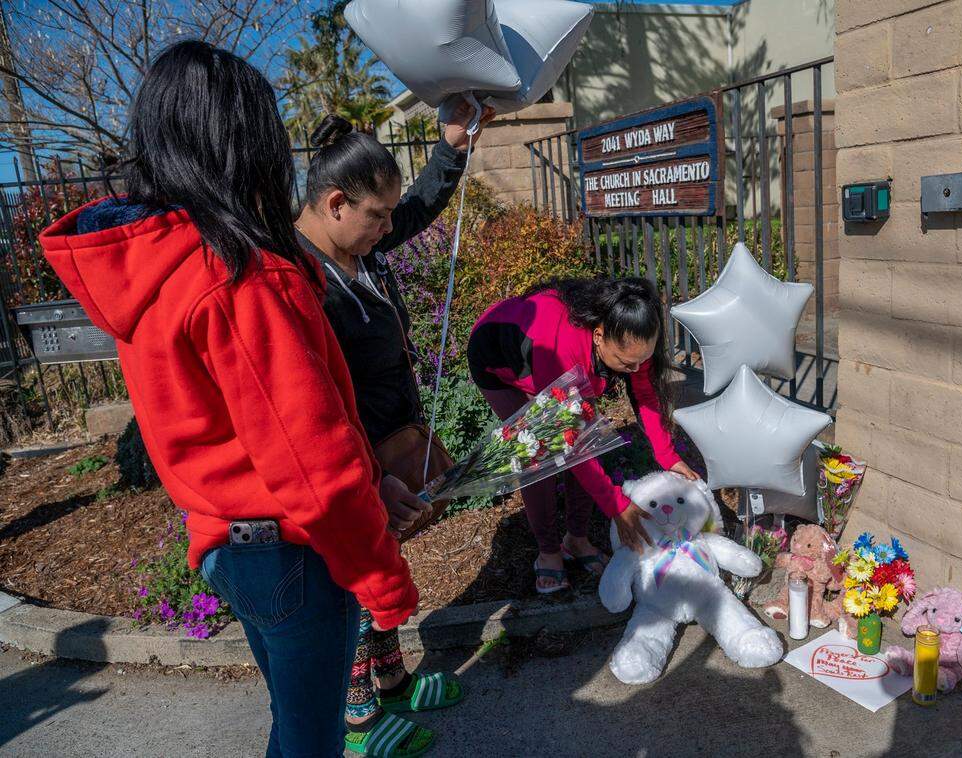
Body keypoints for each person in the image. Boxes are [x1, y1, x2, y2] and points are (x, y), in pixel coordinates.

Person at [38, 40, 416, 758]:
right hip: (291, 551)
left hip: (225, 544)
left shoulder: (154, 266)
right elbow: (311, 457)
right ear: (246, 144)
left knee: (292, 725)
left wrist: (373, 484)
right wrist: (381, 574)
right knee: (311, 741)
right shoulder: (240, 274)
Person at [293, 106, 491, 757]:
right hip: (346, 465)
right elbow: (310, 404)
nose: (389, 227)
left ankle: (393, 681)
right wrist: (368, 478)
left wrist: (452, 150)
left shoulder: (357, 249)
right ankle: (356, 723)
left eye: (387, 214)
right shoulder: (298, 283)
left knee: (386, 565)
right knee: (354, 582)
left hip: (384, 450)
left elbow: (417, 211)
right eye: (378, 215)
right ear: (334, 203)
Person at [467, 278, 699, 593]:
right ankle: (548, 552)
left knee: (593, 442)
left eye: (641, 361)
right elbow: (570, 443)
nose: (635, 369)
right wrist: (616, 505)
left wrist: (668, 456)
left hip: (563, 369)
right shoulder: (559, 347)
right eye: (626, 363)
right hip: (502, 363)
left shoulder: (632, 338)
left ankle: (576, 539)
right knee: (538, 459)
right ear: (599, 336)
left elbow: (644, 394)